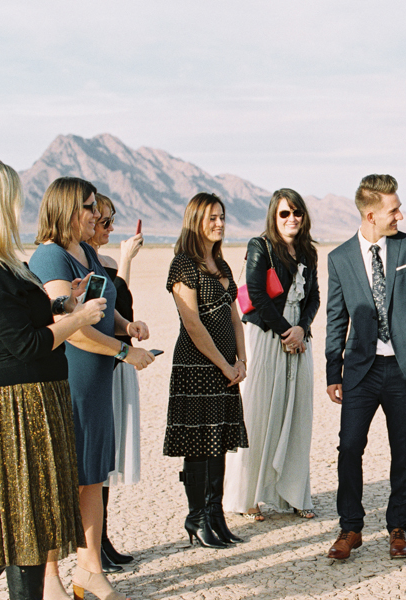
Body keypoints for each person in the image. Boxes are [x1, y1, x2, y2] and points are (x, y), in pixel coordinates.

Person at [0, 159, 106, 600]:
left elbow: (25, 324)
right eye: (12, 197)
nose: (19, 206)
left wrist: (63, 302)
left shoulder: (5, 264)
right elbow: (27, 345)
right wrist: (81, 318)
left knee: (30, 526)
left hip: (34, 401)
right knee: (18, 524)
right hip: (13, 408)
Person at [29, 177, 154, 600]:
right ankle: (49, 579)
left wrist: (126, 326)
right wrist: (123, 352)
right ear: (65, 210)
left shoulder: (86, 251)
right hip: (69, 380)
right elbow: (73, 327)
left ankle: (90, 568)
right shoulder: (51, 257)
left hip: (97, 381)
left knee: (92, 477)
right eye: (88, 207)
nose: (97, 215)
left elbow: (103, 305)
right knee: (62, 479)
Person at [325, 174, 406, 560]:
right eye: (393, 210)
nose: (400, 215)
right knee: (349, 447)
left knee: (404, 450)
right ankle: (350, 527)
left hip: (403, 368)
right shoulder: (340, 258)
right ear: (370, 214)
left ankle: (399, 527)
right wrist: (334, 372)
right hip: (360, 370)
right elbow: (335, 318)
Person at [224, 189, 320, 520]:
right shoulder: (260, 247)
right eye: (284, 213)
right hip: (267, 337)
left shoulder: (308, 251)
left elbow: (315, 298)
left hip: (299, 341)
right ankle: (248, 496)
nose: (291, 218)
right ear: (273, 216)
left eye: (297, 213)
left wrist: (301, 329)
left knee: (297, 415)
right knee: (259, 412)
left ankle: (293, 494)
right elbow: (257, 296)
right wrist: (286, 331)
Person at [165, 193, 248, 549]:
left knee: (219, 443)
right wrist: (224, 363)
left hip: (227, 367)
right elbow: (193, 325)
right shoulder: (183, 265)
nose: (219, 223)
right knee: (199, 443)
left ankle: (216, 516)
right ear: (195, 221)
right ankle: (196, 518)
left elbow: (234, 317)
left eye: (222, 217)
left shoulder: (223, 265)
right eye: (211, 218)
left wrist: (241, 361)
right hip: (198, 365)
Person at [87, 193, 144, 572]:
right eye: (103, 221)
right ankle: (93, 545)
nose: (107, 227)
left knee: (106, 460)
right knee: (94, 461)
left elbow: (120, 305)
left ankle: (102, 539)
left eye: (110, 221)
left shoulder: (102, 263)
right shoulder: (90, 265)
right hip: (101, 361)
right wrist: (124, 260)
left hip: (117, 359)